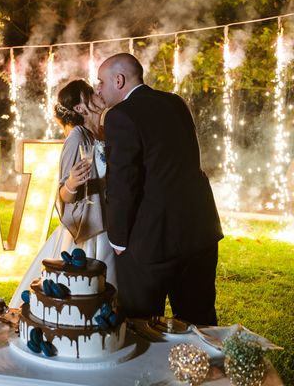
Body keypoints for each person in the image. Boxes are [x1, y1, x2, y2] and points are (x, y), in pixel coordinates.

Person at [96, 52, 223, 325]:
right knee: (199, 320)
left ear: (119, 80)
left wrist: (118, 239)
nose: (98, 89)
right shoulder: (176, 103)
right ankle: (204, 368)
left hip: (152, 240)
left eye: (101, 82)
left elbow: (123, 183)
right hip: (199, 232)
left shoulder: (120, 116)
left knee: (139, 325)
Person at [9, 79, 115, 308]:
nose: (97, 91)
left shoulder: (107, 132)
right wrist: (72, 184)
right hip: (91, 228)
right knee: (80, 294)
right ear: (79, 108)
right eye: (90, 92)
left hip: (113, 221)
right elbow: (62, 194)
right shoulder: (77, 136)